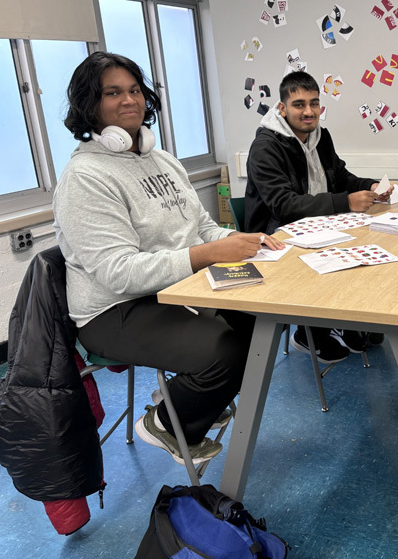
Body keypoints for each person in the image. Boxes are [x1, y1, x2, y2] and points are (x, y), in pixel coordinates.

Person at [53, 51, 284, 467]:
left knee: (262, 317)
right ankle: (167, 420)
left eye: (135, 90)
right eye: (113, 93)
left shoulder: (162, 160)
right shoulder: (86, 177)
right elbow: (117, 273)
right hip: (115, 310)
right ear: (90, 105)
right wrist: (207, 254)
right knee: (226, 351)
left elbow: (200, 229)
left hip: (173, 290)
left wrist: (242, 241)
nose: (130, 100)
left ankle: (194, 397)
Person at [245, 71, 392, 362]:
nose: (309, 111)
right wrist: (344, 201)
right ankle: (310, 331)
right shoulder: (265, 148)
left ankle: (349, 321)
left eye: (314, 103)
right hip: (277, 234)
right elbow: (283, 205)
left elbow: (339, 176)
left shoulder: (321, 137)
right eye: (299, 104)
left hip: (320, 225)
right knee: (342, 253)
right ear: (282, 108)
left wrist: (369, 185)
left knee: (371, 244)